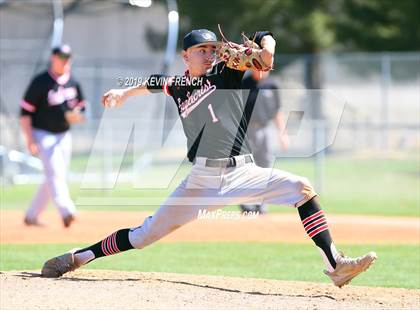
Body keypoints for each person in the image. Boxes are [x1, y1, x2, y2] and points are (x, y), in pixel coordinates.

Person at [41, 29, 376, 287]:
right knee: (144, 235)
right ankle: (79, 257)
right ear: (186, 56)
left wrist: (266, 49)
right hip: (200, 181)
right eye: (201, 50)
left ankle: (336, 266)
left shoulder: (226, 73)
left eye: (212, 49)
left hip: (242, 173)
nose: (209, 54)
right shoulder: (177, 84)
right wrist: (123, 93)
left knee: (302, 188)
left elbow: (264, 41)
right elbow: (155, 84)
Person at [20, 44, 85, 228]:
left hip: (64, 135)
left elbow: (82, 107)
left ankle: (31, 216)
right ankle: (67, 211)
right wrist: (30, 139)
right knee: (55, 173)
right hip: (43, 134)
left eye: (68, 58)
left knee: (53, 176)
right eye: (61, 57)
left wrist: (78, 114)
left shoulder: (73, 81)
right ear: (53, 58)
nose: (65, 61)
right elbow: (25, 113)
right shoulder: (41, 82)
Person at [239, 70, 289, 214]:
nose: (262, 70)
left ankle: (262, 203)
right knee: (245, 166)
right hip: (245, 130)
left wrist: (283, 133)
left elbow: (277, 111)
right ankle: (247, 204)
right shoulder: (244, 82)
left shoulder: (272, 85)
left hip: (264, 129)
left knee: (265, 167)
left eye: (266, 67)